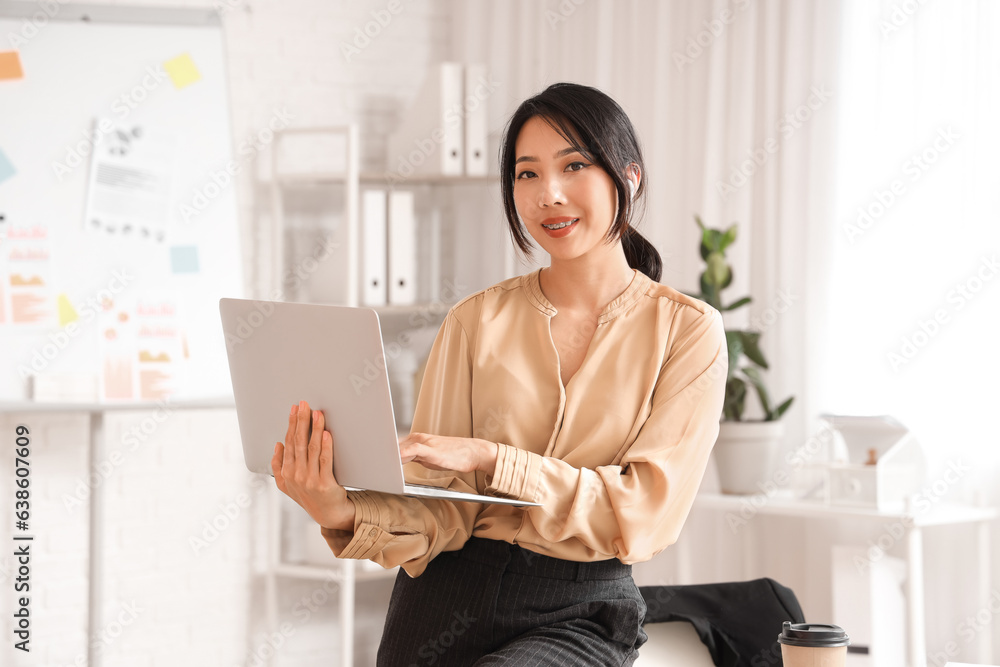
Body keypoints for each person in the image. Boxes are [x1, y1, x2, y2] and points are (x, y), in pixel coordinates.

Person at [271, 82, 728, 666]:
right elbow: (443, 510)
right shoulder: (474, 320)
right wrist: (338, 509)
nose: (548, 195)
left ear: (629, 177)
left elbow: (641, 513)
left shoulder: (687, 331)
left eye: (574, 165)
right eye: (526, 174)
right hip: (441, 599)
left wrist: (494, 460)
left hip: (579, 608)